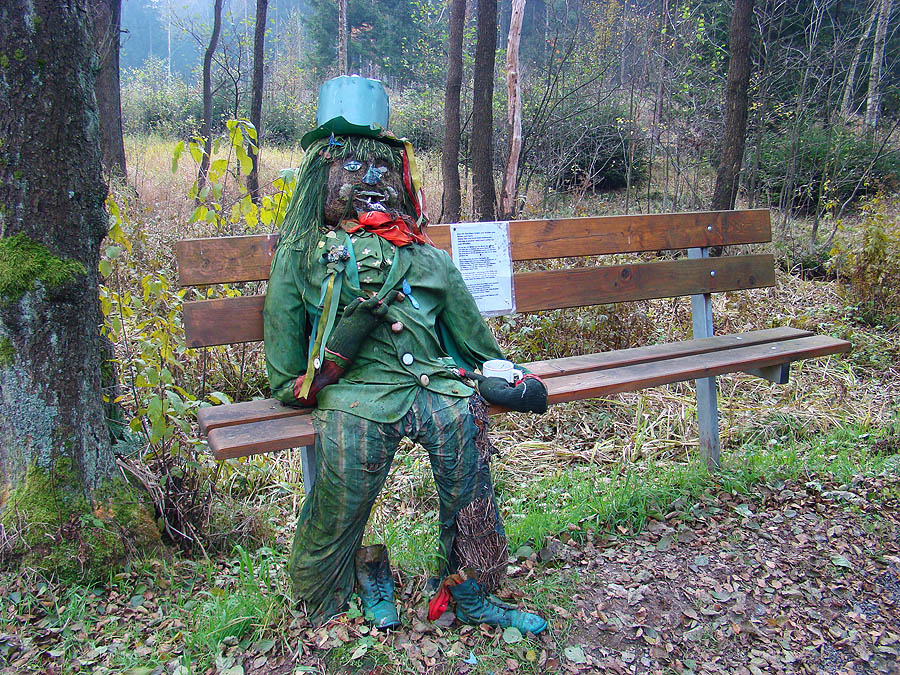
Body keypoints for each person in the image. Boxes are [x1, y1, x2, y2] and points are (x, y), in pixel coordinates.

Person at [264, 76, 548, 632]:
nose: (371, 179)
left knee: (467, 454)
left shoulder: (429, 259)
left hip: (435, 388)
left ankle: (471, 589)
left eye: (383, 167)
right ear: (322, 177)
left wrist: (503, 377)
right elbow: (285, 372)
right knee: (346, 479)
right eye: (352, 166)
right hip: (356, 397)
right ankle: (331, 588)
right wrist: (336, 351)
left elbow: (478, 346)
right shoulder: (302, 256)